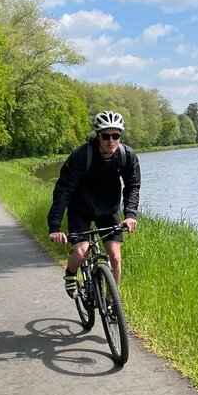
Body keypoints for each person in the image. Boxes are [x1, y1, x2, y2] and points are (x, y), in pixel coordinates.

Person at [48, 110, 141, 296]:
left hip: (108, 210)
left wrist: (130, 215)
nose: (111, 140)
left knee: (115, 257)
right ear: (98, 136)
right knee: (82, 252)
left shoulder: (126, 155)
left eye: (116, 135)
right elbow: (63, 191)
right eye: (106, 136)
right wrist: (55, 226)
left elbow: (132, 186)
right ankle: (70, 273)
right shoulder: (82, 156)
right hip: (80, 209)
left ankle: (112, 301)